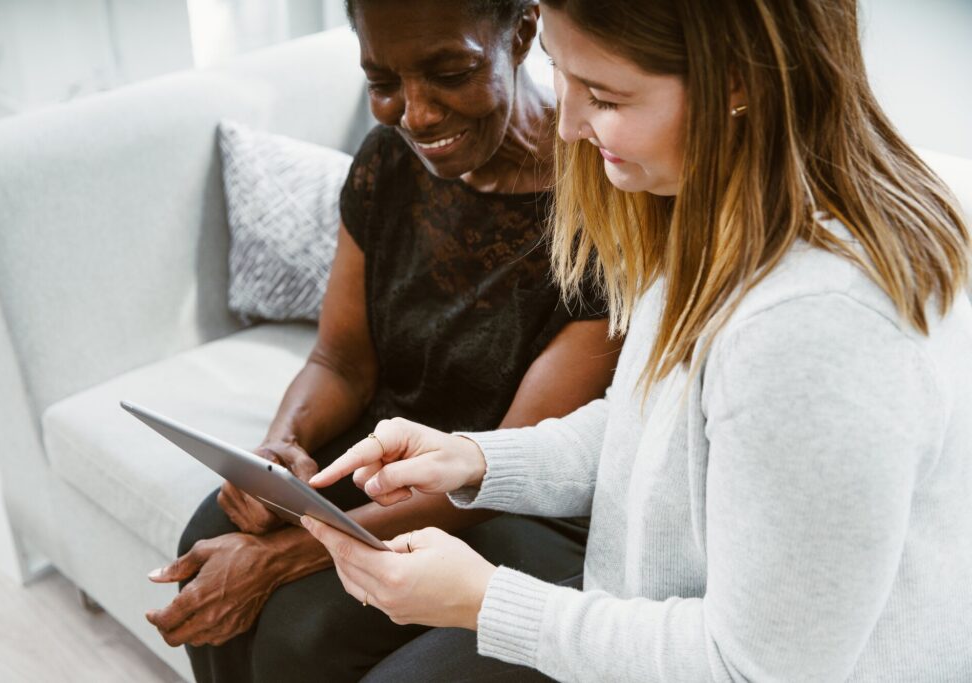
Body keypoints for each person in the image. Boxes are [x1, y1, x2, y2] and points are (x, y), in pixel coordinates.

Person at [305, 0, 972, 680]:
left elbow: (752, 667)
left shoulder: (819, 329)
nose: (567, 126)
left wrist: (484, 601)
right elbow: (654, 428)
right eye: (562, 76)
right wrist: (475, 458)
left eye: (603, 96)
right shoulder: (712, 206)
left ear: (739, 80)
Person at [144, 1, 622, 681]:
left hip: (505, 498)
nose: (417, 115)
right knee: (210, 535)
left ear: (520, 33)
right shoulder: (385, 164)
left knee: (298, 636)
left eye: (449, 70)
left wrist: (283, 555)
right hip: (383, 450)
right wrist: (282, 446)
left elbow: (506, 469)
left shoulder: (603, 198)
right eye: (383, 82)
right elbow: (339, 361)